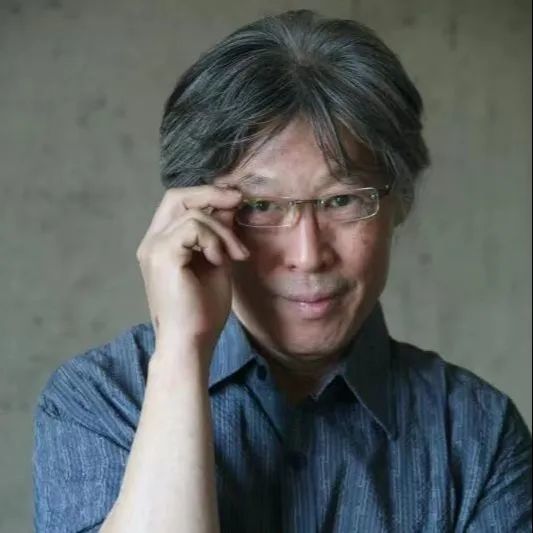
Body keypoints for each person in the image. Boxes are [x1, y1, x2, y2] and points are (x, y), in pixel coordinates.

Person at [33, 9, 531, 533]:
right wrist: (180, 351)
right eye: (261, 207)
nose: (308, 254)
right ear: (194, 217)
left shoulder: (477, 434)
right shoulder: (99, 400)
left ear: (399, 203)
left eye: (341, 200)